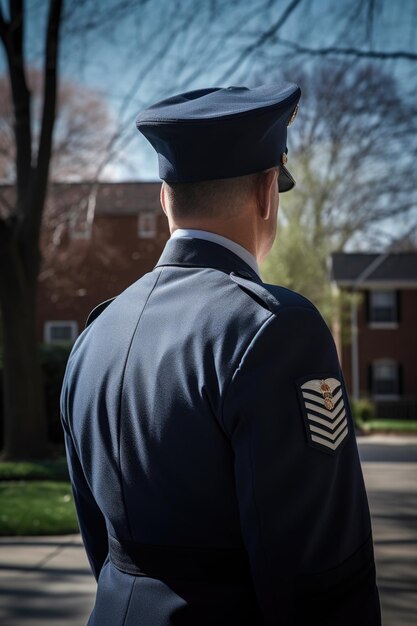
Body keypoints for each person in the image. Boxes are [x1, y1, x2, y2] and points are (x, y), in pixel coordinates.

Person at [61, 83, 381, 626]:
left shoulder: (95, 334)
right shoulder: (276, 329)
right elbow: (320, 572)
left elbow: (104, 545)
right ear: (266, 193)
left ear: (164, 199)